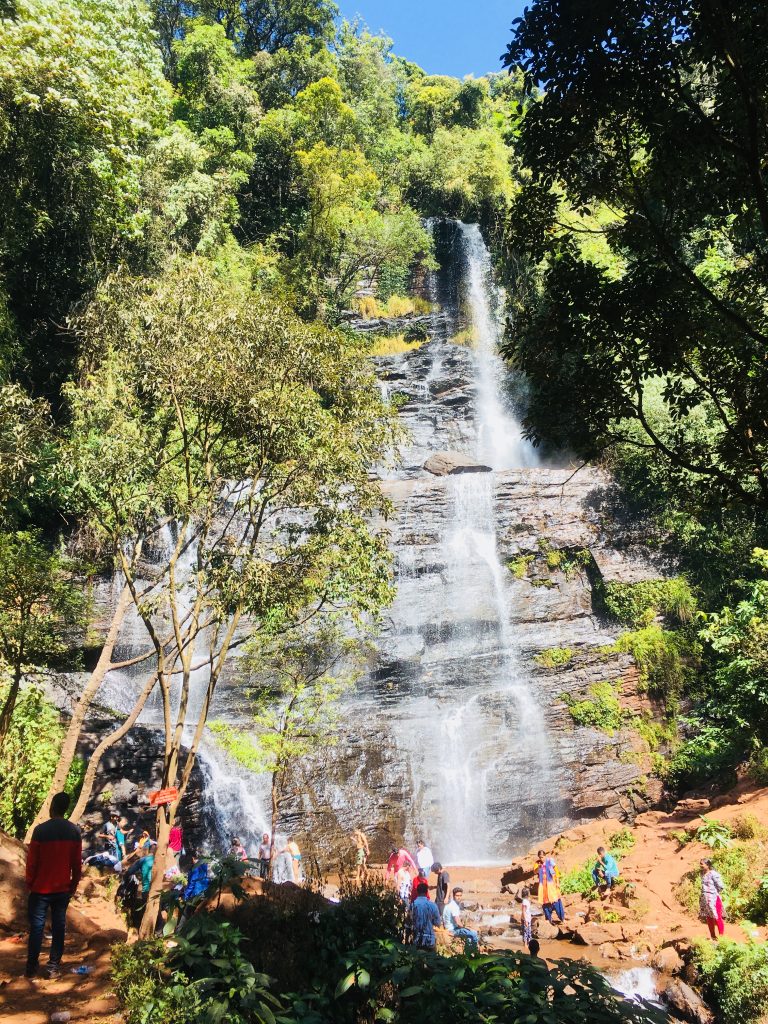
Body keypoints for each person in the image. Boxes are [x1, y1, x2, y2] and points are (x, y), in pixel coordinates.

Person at [25, 791, 82, 978]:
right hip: (62, 889)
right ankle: (53, 968)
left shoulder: (40, 831)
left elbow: (32, 862)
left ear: (53, 806)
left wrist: (30, 883)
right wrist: (73, 885)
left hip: (40, 889)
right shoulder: (74, 831)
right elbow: (76, 864)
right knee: (58, 927)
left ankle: (31, 969)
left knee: (37, 928)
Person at [700, 858, 725, 940]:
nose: (700, 865)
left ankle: (722, 937)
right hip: (705, 899)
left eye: (702, 864)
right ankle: (713, 936)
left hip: (714, 898)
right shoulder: (702, 874)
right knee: (709, 917)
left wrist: (713, 893)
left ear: (707, 865)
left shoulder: (713, 874)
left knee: (717, 917)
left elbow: (720, 886)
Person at [536, 851, 565, 924]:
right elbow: (535, 871)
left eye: (542, 857)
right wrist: (538, 867)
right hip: (543, 886)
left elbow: (556, 872)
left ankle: (562, 918)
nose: (541, 859)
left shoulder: (550, 861)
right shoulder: (537, 863)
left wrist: (557, 882)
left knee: (555, 899)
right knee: (545, 902)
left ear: (545, 856)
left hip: (551, 884)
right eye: (540, 857)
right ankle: (548, 919)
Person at [411, 881, 441, 950]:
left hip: (417, 939)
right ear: (427, 892)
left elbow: (409, 922)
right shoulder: (433, 905)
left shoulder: (413, 905)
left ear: (417, 892)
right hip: (430, 939)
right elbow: (438, 923)